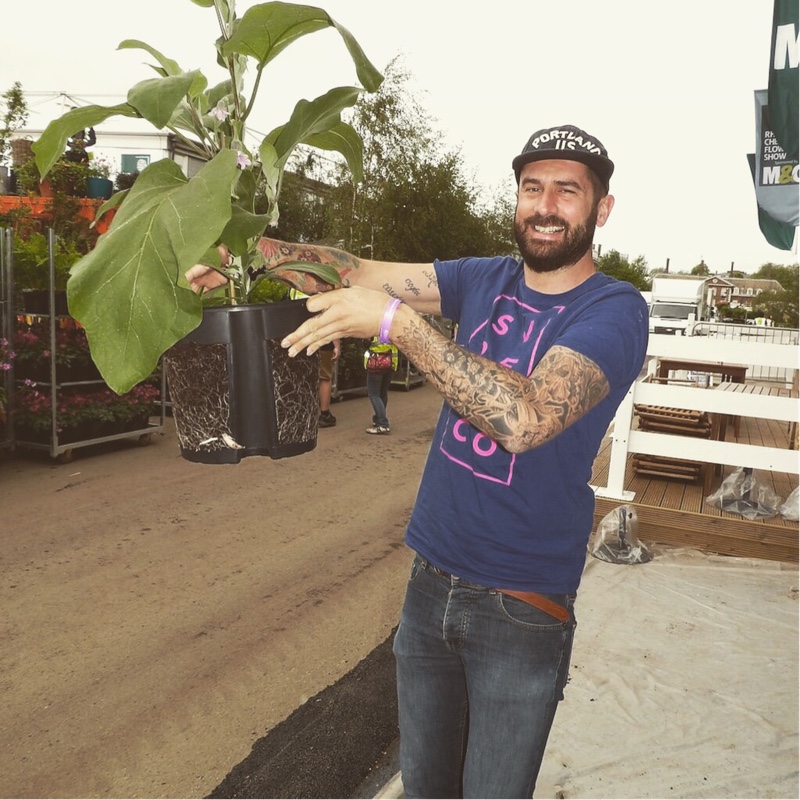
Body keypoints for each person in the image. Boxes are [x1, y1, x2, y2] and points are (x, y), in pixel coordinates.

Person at [188, 124, 649, 798]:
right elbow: (354, 272)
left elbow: (527, 419)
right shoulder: (483, 279)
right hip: (430, 583)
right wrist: (249, 251)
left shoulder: (613, 309)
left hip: (520, 607)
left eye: (567, 190)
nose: (545, 204)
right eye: (531, 187)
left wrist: (399, 326)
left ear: (600, 209)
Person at [290, 287, 340, 428]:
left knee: (303, 377)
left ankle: (302, 412)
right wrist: (336, 345)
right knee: (324, 378)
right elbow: (331, 319)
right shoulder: (322, 292)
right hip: (322, 340)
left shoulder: (293, 291)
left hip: (300, 341)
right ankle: (324, 414)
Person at [363, 335, 399, 435]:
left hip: (377, 362)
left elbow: (366, 341)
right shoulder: (393, 322)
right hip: (391, 361)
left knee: (374, 394)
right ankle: (378, 419)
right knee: (382, 393)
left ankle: (383, 424)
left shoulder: (374, 324)